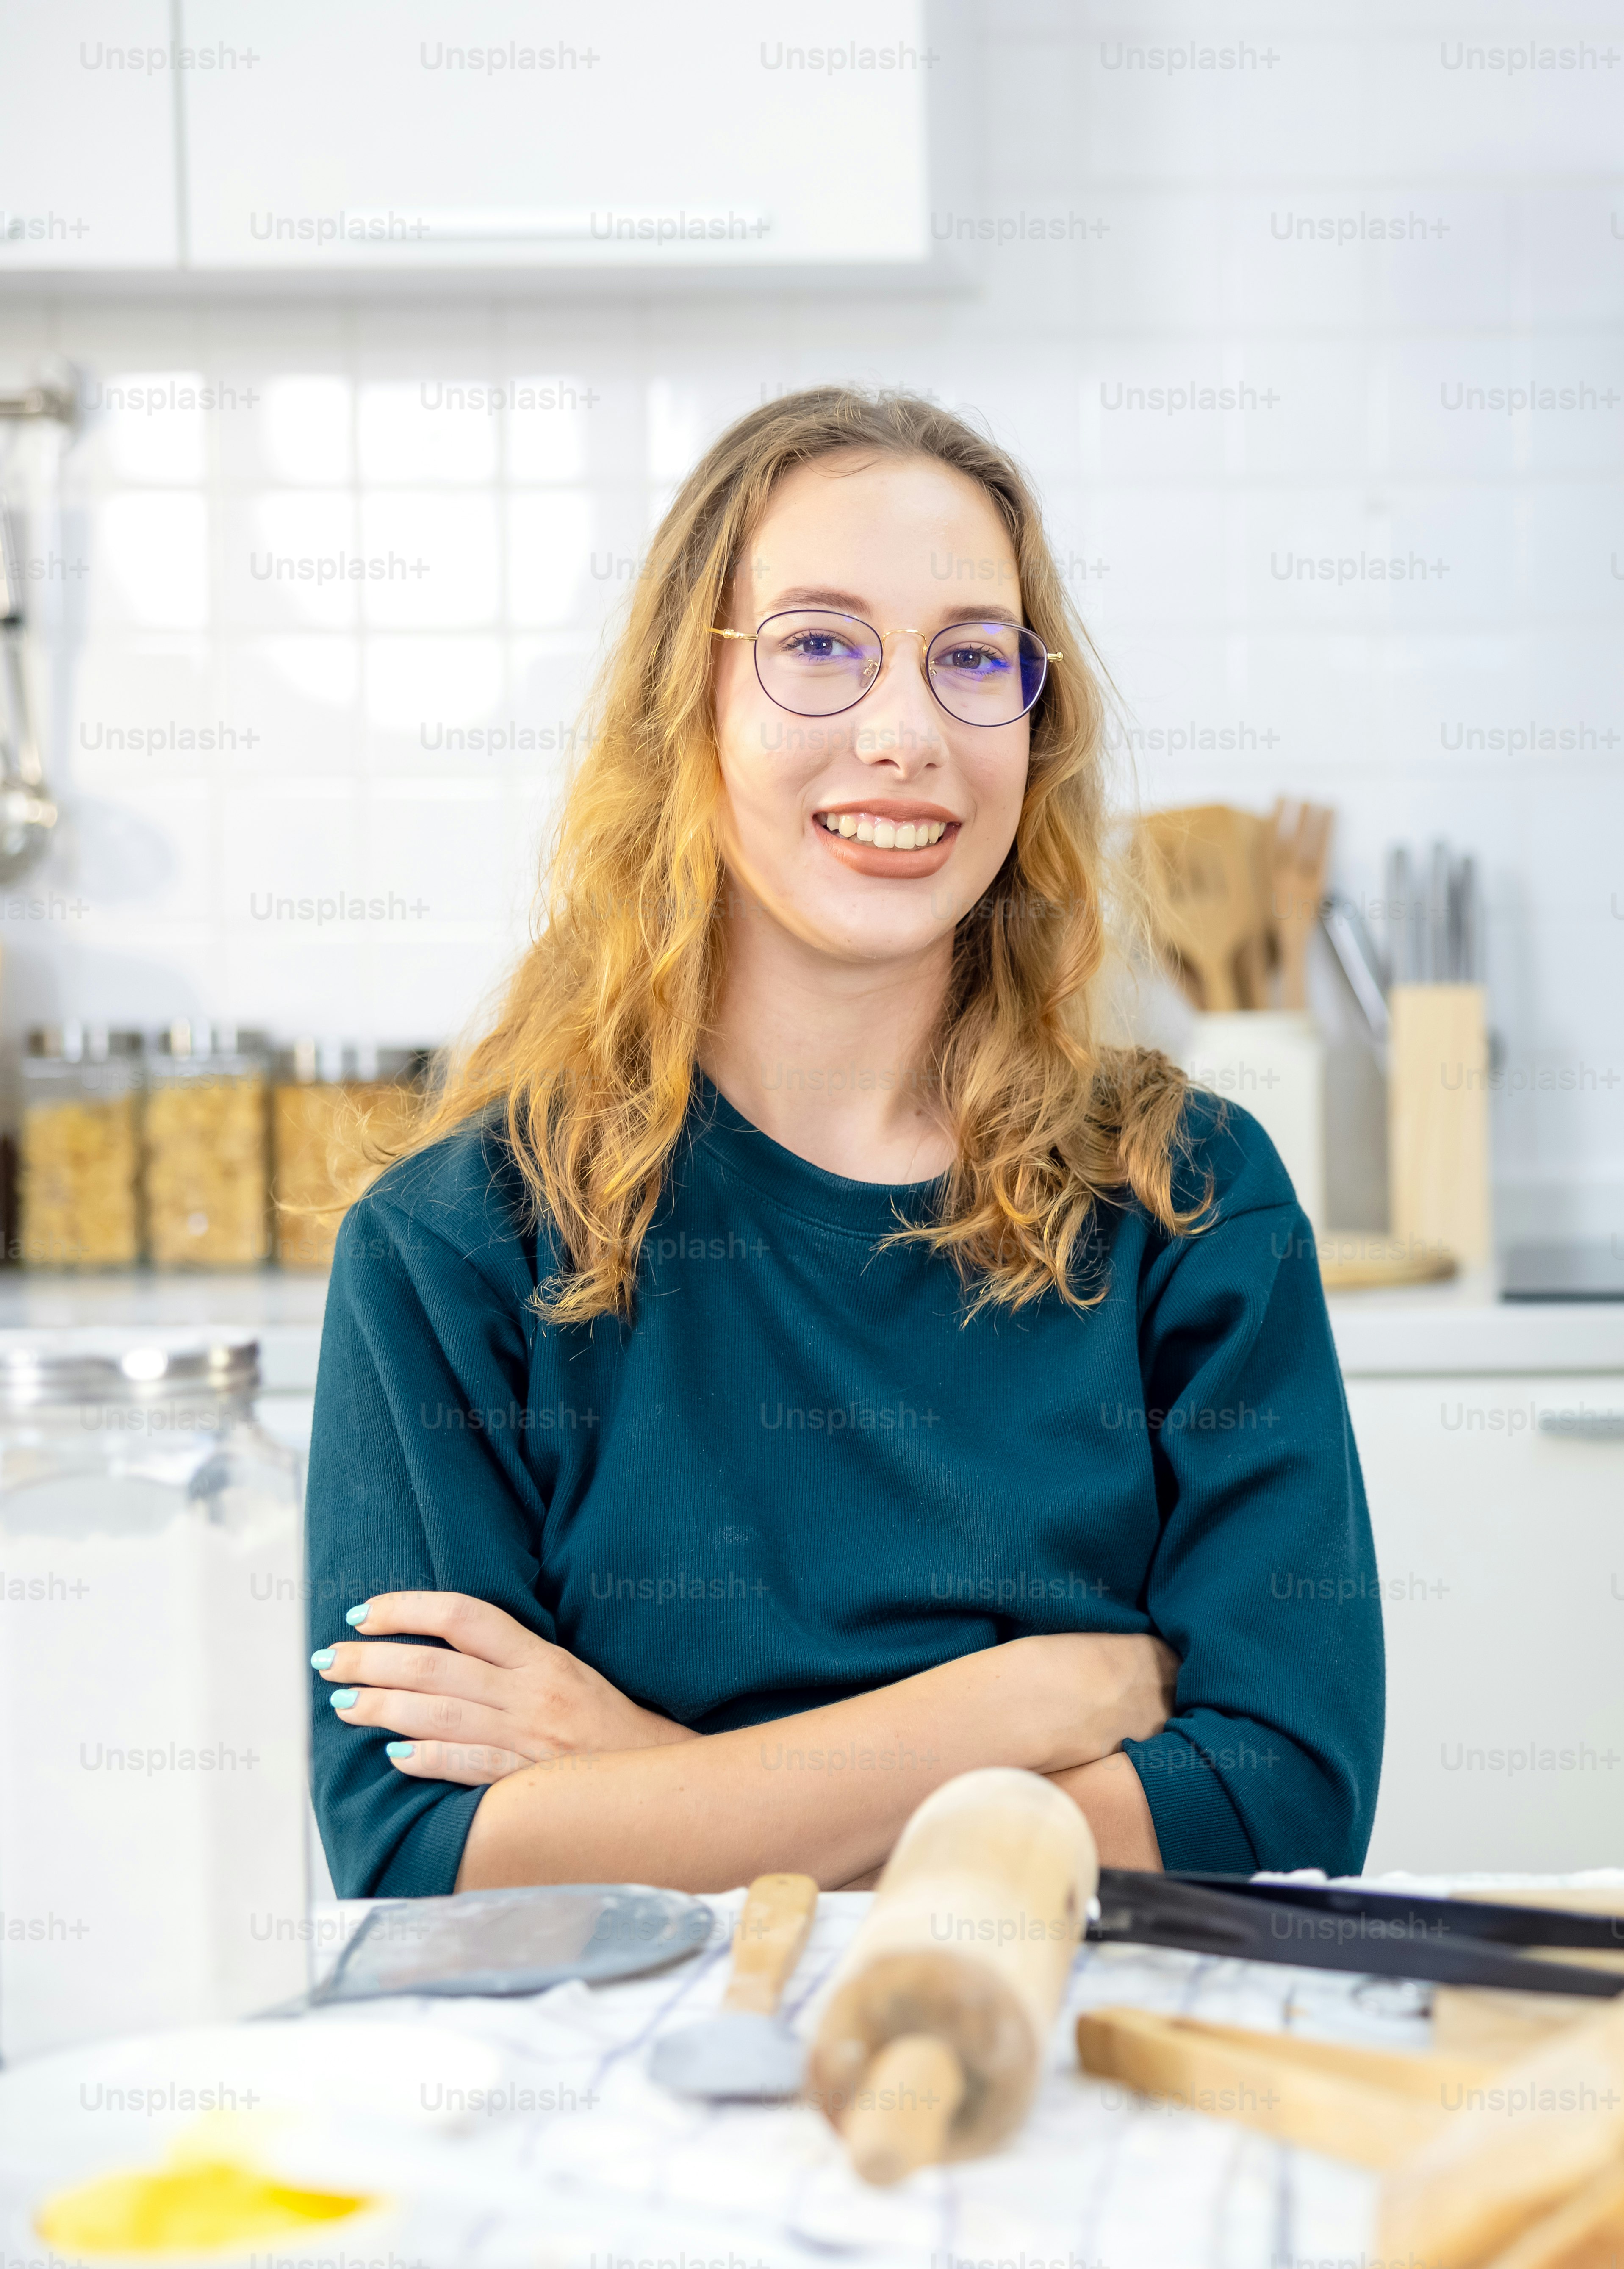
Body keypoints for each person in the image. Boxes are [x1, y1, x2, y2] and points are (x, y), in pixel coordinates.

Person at [305, 386, 1383, 1898]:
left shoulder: (1186, 1198)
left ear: (1034, 722)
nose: (905, 734)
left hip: (1081, 2063)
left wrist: (642, 1776)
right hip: (613, 2094)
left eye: (969, 658)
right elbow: (422, 1855)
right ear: (692, 705)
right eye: (819, 646)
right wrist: (1027, 1706)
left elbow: (1282, 1795)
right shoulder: (456, 1244)